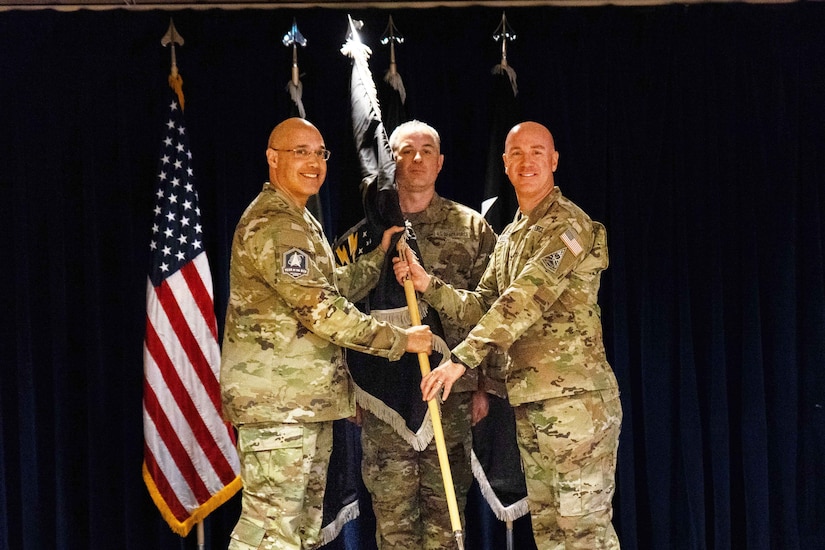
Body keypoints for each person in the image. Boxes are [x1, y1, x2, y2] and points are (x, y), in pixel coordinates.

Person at [395, 121, 622, 549]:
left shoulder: (570, 226)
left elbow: (524, 299)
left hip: (576, 402)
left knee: (583, 533)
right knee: (551, 533)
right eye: (516, 153)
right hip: (531, 402)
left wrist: (460, 360)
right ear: (505, 163)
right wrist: (429, 286)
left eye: (537, 152)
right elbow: (485, 304)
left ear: (554, 160)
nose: (527, 161)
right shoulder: (512, 234)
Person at [220, 117, 433, 550]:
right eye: (300, 152)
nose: (314, 162)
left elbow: (328, 287)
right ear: (272, 158)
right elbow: (322, 310)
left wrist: (377, 259)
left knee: (298, 531)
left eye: (320, 153)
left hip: (304, 403)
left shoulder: (298, 220)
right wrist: (401, 340)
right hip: (280, 406)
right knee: (269, 530)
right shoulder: (274, 226)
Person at [359, 120, 498, 549]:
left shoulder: (472, 228)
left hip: (451, 399)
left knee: (445, 524)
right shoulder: (369, 234)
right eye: (404, 151)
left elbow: (492, 312)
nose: (415, 158)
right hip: (386, 405)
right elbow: (347, 313)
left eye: (425, 150)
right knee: (395, 528)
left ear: (440, 162)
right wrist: (354, 391)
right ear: (391, 162)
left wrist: (484, 387)